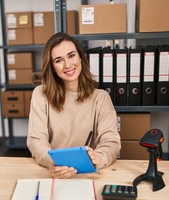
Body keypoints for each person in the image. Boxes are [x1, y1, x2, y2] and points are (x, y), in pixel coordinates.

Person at [27, 32, 121, 179]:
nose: (68, 65)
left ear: (81, 58)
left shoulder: (101, 98)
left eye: (71, 55)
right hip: (54, 172)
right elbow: (36, 140)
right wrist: (52, 163)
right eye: (59, 60)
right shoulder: (41, 94)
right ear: (52, 67)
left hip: (89, 174)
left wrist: (98, 158)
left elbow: (111, 142)